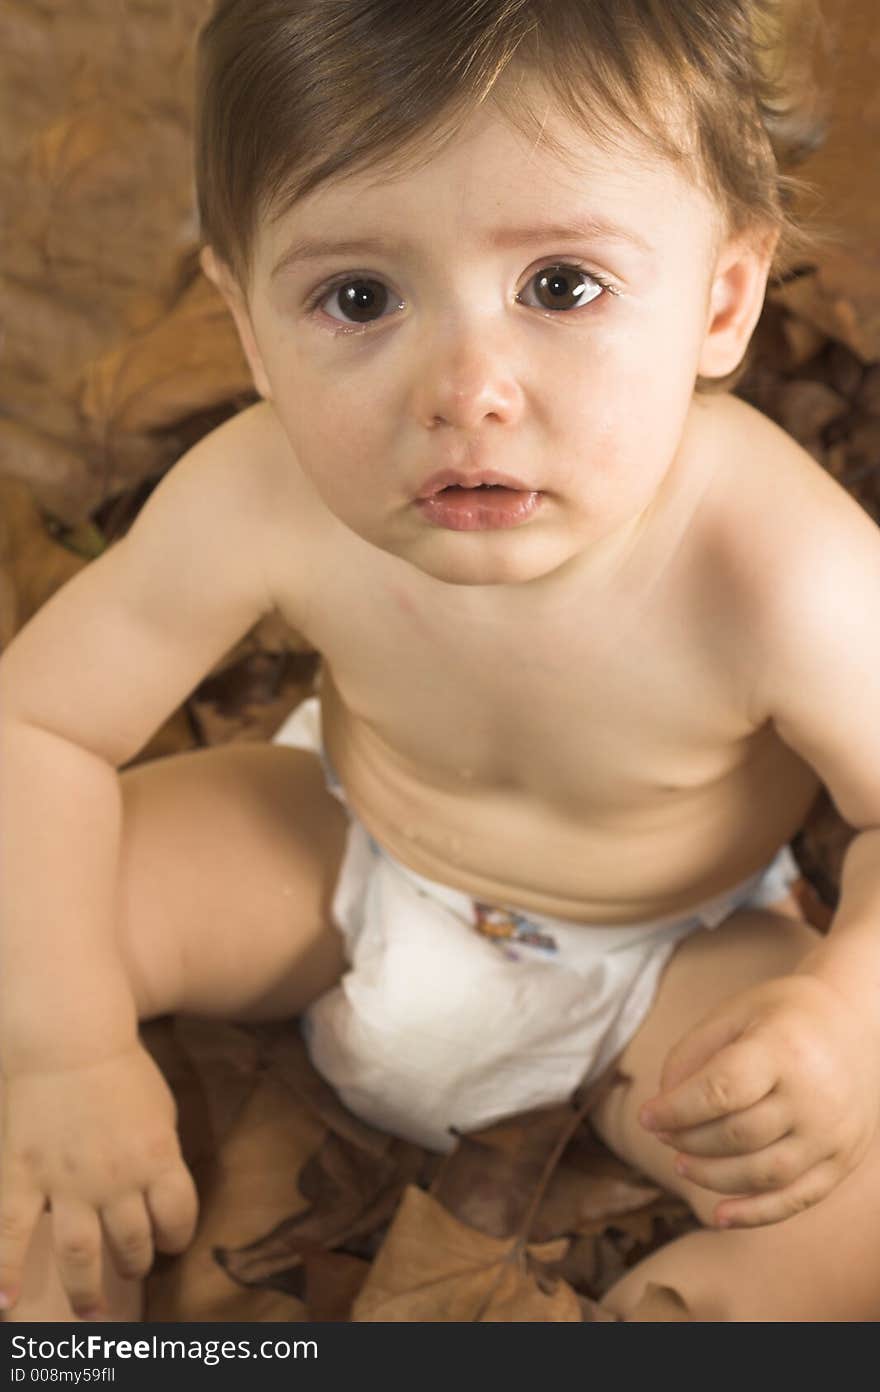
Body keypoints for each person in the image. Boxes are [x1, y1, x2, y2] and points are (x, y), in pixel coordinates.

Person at [1, 0, 879, 1324]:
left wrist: (843, 1025)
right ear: (249, 328)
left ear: (722, 300)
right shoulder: (263, 492)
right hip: (343, 852)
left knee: (856, 1166)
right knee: (33, 905)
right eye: (359, 297)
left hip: (668, 953)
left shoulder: (782, 567)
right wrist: (60, 1054)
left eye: (562, 287)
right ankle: (60, 1286)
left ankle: (699, 1317)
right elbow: (37, 731)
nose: (466, 387)